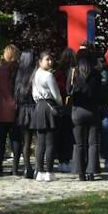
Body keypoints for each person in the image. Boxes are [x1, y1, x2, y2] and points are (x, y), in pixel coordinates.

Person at [67, 46, 107, 181]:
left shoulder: (73, 72)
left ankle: (80, 172)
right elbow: (101, 94)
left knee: (78, 144)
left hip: (77, 111)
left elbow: (67, 90)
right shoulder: (96, 73)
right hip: (93, 111)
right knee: (93, 143)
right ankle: (91, 171)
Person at [29, 51, 62, 182]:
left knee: (40, 142)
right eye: (47, 59)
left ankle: (40, 172)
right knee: (49, 142)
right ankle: (49, 171)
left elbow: (33, 94)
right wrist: (60, 104)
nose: (50, 62)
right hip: (49, 106)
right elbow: (56, 95)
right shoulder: (49, 75)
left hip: (39, 107)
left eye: (51, 59)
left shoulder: (35, 75)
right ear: (40, 61)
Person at [0, 44, 20, 177]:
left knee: (1, 140)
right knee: (16, 139)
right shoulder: (18, 69)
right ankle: (15, 167)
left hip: (2, 107)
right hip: (16, 107)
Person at [13, 47, 39, 179]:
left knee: (26, 141)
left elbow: (16, 94)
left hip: (22, 109)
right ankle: (38, 168)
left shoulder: (18, 74)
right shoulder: (35, 74)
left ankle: (27, 168)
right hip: (34, 108)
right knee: (38, 140)